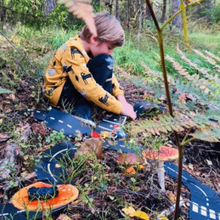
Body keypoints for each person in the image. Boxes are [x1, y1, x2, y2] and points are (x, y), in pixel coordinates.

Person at [43, 12, 136, 126]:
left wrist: (122, 101)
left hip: (77, 87)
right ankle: (81, 111)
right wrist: (120, 108)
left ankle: (103, 108)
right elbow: (87, 87)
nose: (110, 53)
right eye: (109, 47)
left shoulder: (91, 50)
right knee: (104, 61)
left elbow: (110, 76)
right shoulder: (72, 50)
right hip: (59, 94)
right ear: (94, 39)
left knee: (105, 63)